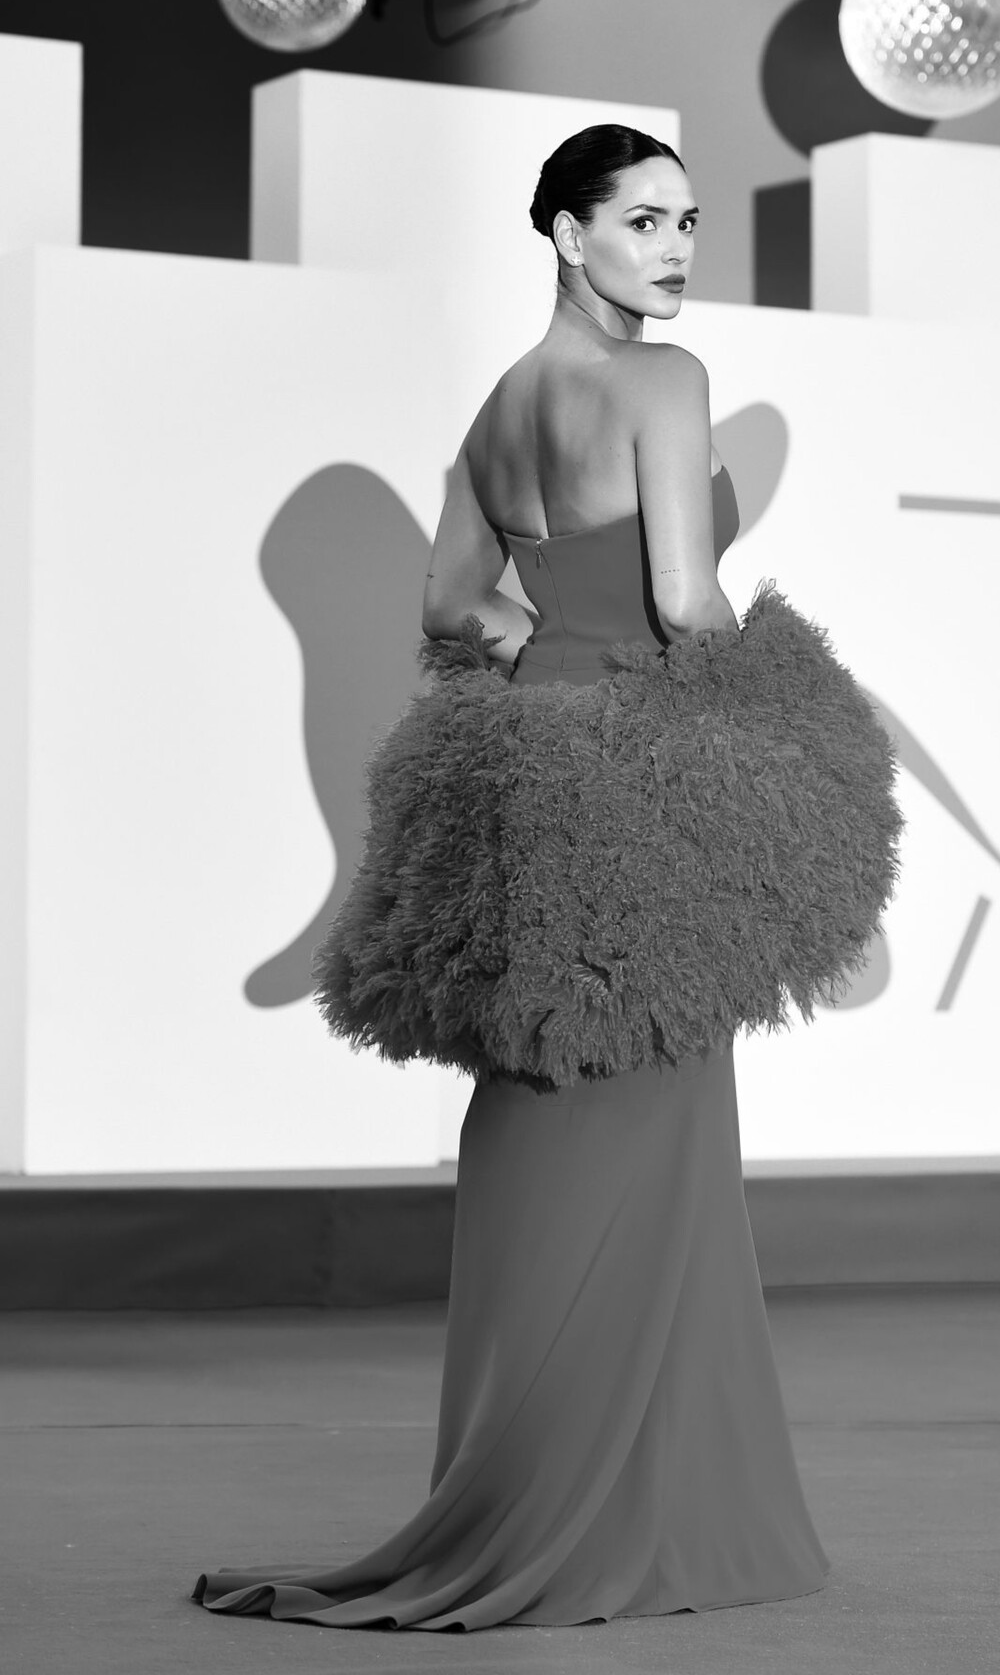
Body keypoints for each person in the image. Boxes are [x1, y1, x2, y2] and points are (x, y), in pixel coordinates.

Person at [192, 124, 832, 1631]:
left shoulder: (501, 407)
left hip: (536, 781)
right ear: (565, 232)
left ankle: (539, 1491)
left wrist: (552, 660)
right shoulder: (664, 384)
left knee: (547, 1105)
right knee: (651, 1113)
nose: (676, 250)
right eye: (643, 221)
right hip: (646, 779)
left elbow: (449, 605)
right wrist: (792, 726)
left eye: (688, 223)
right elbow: (687, 600)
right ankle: (626, 1520)